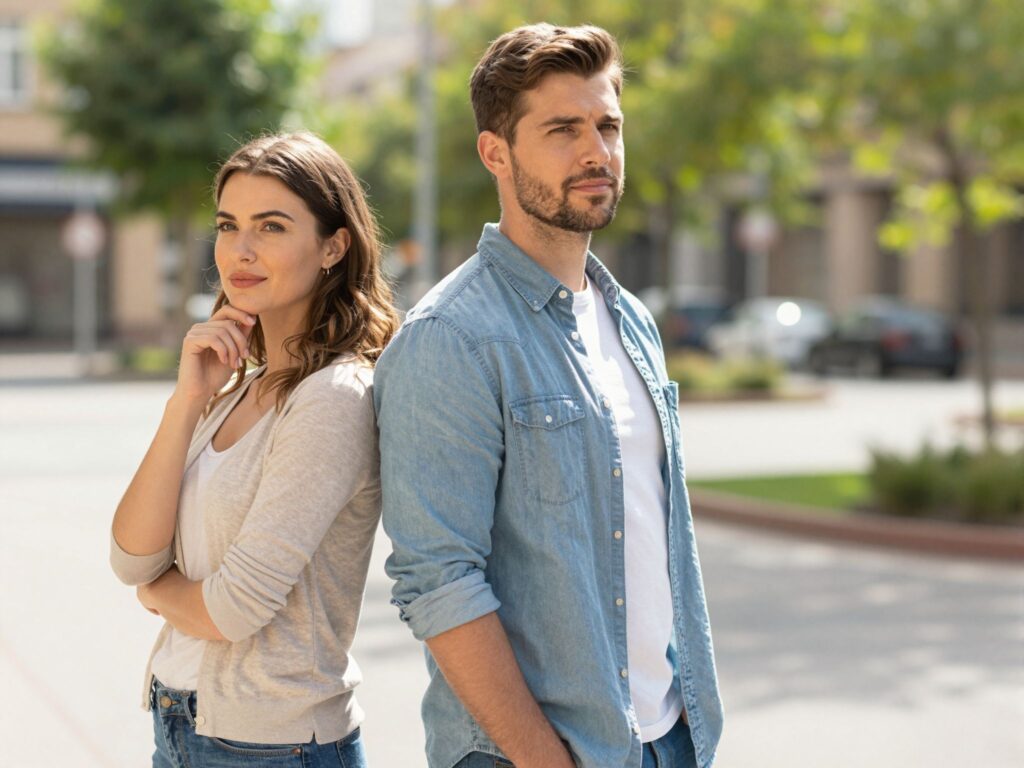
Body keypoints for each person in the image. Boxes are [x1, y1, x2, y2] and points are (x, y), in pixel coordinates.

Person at [374, 22, 724, 768]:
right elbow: (438, 581)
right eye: (563, 129)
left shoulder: (630, 319)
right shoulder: (449, 337)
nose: (596, 151)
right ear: (495, 152)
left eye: (608, 125)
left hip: (668, 737)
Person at [109, 132, 399, 767]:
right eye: (228, 225)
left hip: (273, 743)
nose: (239, 250)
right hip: (181, 721)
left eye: (271, 226)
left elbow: (233, 609)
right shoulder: (232, 387)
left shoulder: (334, 397)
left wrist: (159, 595)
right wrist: (186, 403)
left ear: (333, 245)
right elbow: (132, 558)